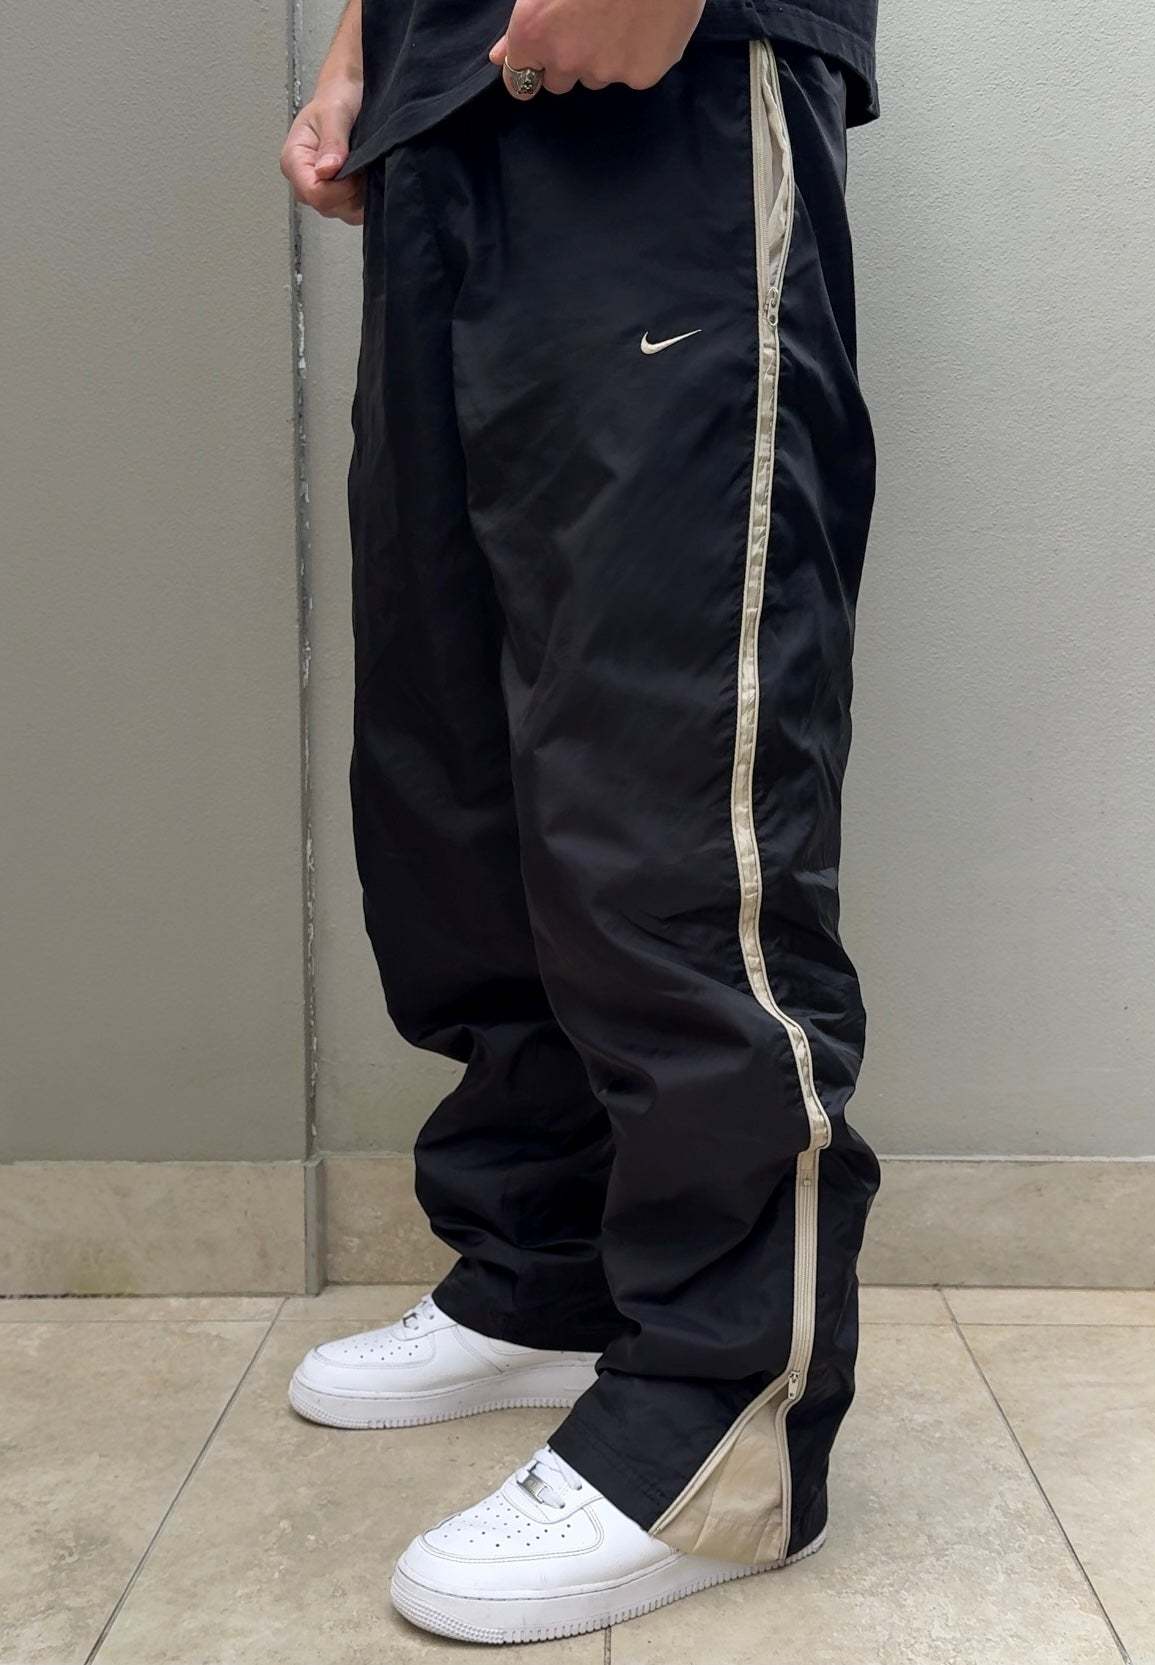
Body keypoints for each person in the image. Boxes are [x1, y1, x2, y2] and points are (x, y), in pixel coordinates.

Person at [281, 0, 881, 1643]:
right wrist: (362, 45)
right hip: (443, 99)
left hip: (673, 77)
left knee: (665, 764)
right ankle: (543, 1263)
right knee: (454, 770)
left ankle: (720, 1404)